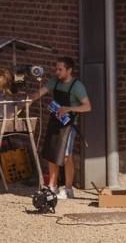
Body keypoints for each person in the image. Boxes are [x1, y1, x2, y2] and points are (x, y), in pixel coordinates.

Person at [34, 57, 90, 199]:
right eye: (56, 69)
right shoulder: (54, 81)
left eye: (60, 69)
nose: (57, 72)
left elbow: (87, 107)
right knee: (51, 154)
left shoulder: (77, 86)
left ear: (69, 70)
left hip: (69, 125)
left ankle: (69, 189)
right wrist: (26, 101)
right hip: (55, 121)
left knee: (66, 156)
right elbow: (39, 93)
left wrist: (68, 108)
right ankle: (52, 186)